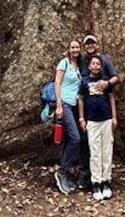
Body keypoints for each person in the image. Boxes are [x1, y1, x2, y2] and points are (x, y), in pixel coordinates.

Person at [76, 34, 120, 188]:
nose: (90, 46)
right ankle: (86, 176)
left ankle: (105, 180)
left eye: (92, 43)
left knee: (105, 148)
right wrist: (82, 118)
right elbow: (80, 97)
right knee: (86, 143)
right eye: (87, 44)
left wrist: (107, 83)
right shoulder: (81, 59)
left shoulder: (104, 60)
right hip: (88, 111)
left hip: (105, 112)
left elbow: (116, 78)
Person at [53, 40, 82, 194]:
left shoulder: (80, 65)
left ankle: (64, 172)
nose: (75, 49)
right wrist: (58, 105)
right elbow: (57, 83)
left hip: (75, 106)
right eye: (72, 47)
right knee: (75, 139)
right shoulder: (63, 63)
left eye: (77, 47)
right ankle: (62, 172)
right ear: (69, 49)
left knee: (68, 140)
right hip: (65, 104)